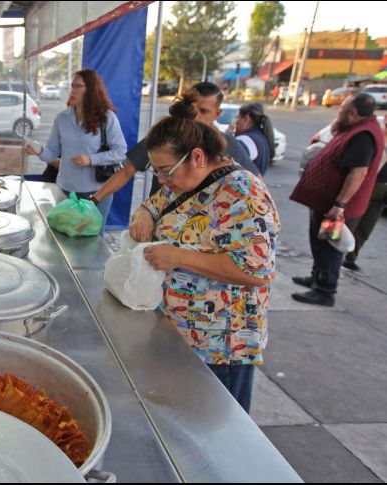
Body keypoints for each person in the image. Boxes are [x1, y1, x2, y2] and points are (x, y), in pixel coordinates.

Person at [129, 94, 280, 412]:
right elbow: (155, 203)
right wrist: (144, 214)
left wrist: (178, 256)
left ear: (197, 156)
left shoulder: (243, 194)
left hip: (219, 345)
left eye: (166, 171)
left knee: (213, 423)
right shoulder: (183, 184)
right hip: (179, 334)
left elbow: (256, 271)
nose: (162, 180)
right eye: (156, 173)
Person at [91, 82, 258, 205]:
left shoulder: (228, 146)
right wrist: (94, 200)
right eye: (192, 109)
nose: (195, 116)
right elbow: (126, 171)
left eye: (203, 111)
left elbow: (256, 185)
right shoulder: (165, 138)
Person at [290, 94, 385, 306]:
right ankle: (317, 278)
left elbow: (358, 173)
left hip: (336, 207)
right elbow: (335, 133)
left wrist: (339, 205)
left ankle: (325, 290)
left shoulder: (363, 135)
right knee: (321, 242)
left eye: (342, 109)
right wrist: (339, 123)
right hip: (327, 203)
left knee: (328, 247)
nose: (338, 112)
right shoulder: (354, 127)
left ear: (353, 113)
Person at [25, 69, 127, 233]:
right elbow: (51, 153)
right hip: (66, 190)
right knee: (64, 236)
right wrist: (39, 151)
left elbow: (121, 152)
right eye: (72, 85)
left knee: (93, 239)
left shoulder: (107, 118)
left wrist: (91, 159)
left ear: (91, 90)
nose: (72, 90)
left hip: (98, 193)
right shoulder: (62, 119)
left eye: (78, 86)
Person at [343, 117, 387, 274]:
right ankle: (334, 260)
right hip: (367, 186)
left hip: (382, 192)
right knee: (349, 225)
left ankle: (350, 259)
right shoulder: (375, 137)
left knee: (365, 228)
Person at [233, 103, 275, 175]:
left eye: (237, 118)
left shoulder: (245, 140)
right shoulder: (262, 137)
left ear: (246, 119)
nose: (236, 122)